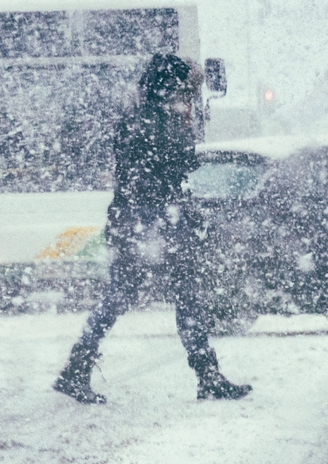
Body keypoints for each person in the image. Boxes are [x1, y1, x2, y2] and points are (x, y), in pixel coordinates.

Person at [53, 54, 251, 403]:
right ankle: (207, 376)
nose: (189, 99)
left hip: (141, 222)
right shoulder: (158, 124)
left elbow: (152, 174)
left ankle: (77, 367)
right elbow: (171, 170)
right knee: (172, 297)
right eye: (186, 91)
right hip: (152, 224)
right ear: (170, 89)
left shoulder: (141, 119)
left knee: (130, 296)